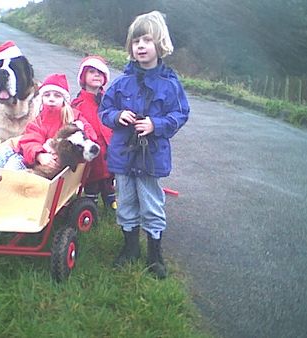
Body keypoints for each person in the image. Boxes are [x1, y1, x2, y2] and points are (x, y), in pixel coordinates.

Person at [99, 11, 190, 279]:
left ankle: (154, 255)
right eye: (136, 40)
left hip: (151, 157)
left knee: (151, 204)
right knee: (125, 203)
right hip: (123, 157)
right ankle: (130, 249)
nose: (140, 46)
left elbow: (180, 114)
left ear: (159, 44)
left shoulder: (170, 84)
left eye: (147, 40)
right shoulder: (121, 82)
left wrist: (156, 125)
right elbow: (104, 110)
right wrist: (117, 116)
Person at [0, 73, 96, 170]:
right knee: (3, 155)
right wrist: (39, 155)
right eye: (47, 95)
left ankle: (0, 185)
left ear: (64, 100)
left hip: (37, 164)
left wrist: (65, 149)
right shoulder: (39, 120)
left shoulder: (74, 118)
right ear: (42, 98)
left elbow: (90, 135)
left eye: (57, 96)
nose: (51, 99)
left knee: (12, 167)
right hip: (31, 156)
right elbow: (30, 140)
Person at [72, 56, 117, 210]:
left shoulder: (109, 101)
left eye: (100, 72)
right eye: (91, 71)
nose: (96, 75)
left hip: (109, 153)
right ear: (83, 77)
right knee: (92, 183)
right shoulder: (78, 104)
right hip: (92, 155)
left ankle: (111, 205)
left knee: (108, 184)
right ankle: (91, 208)